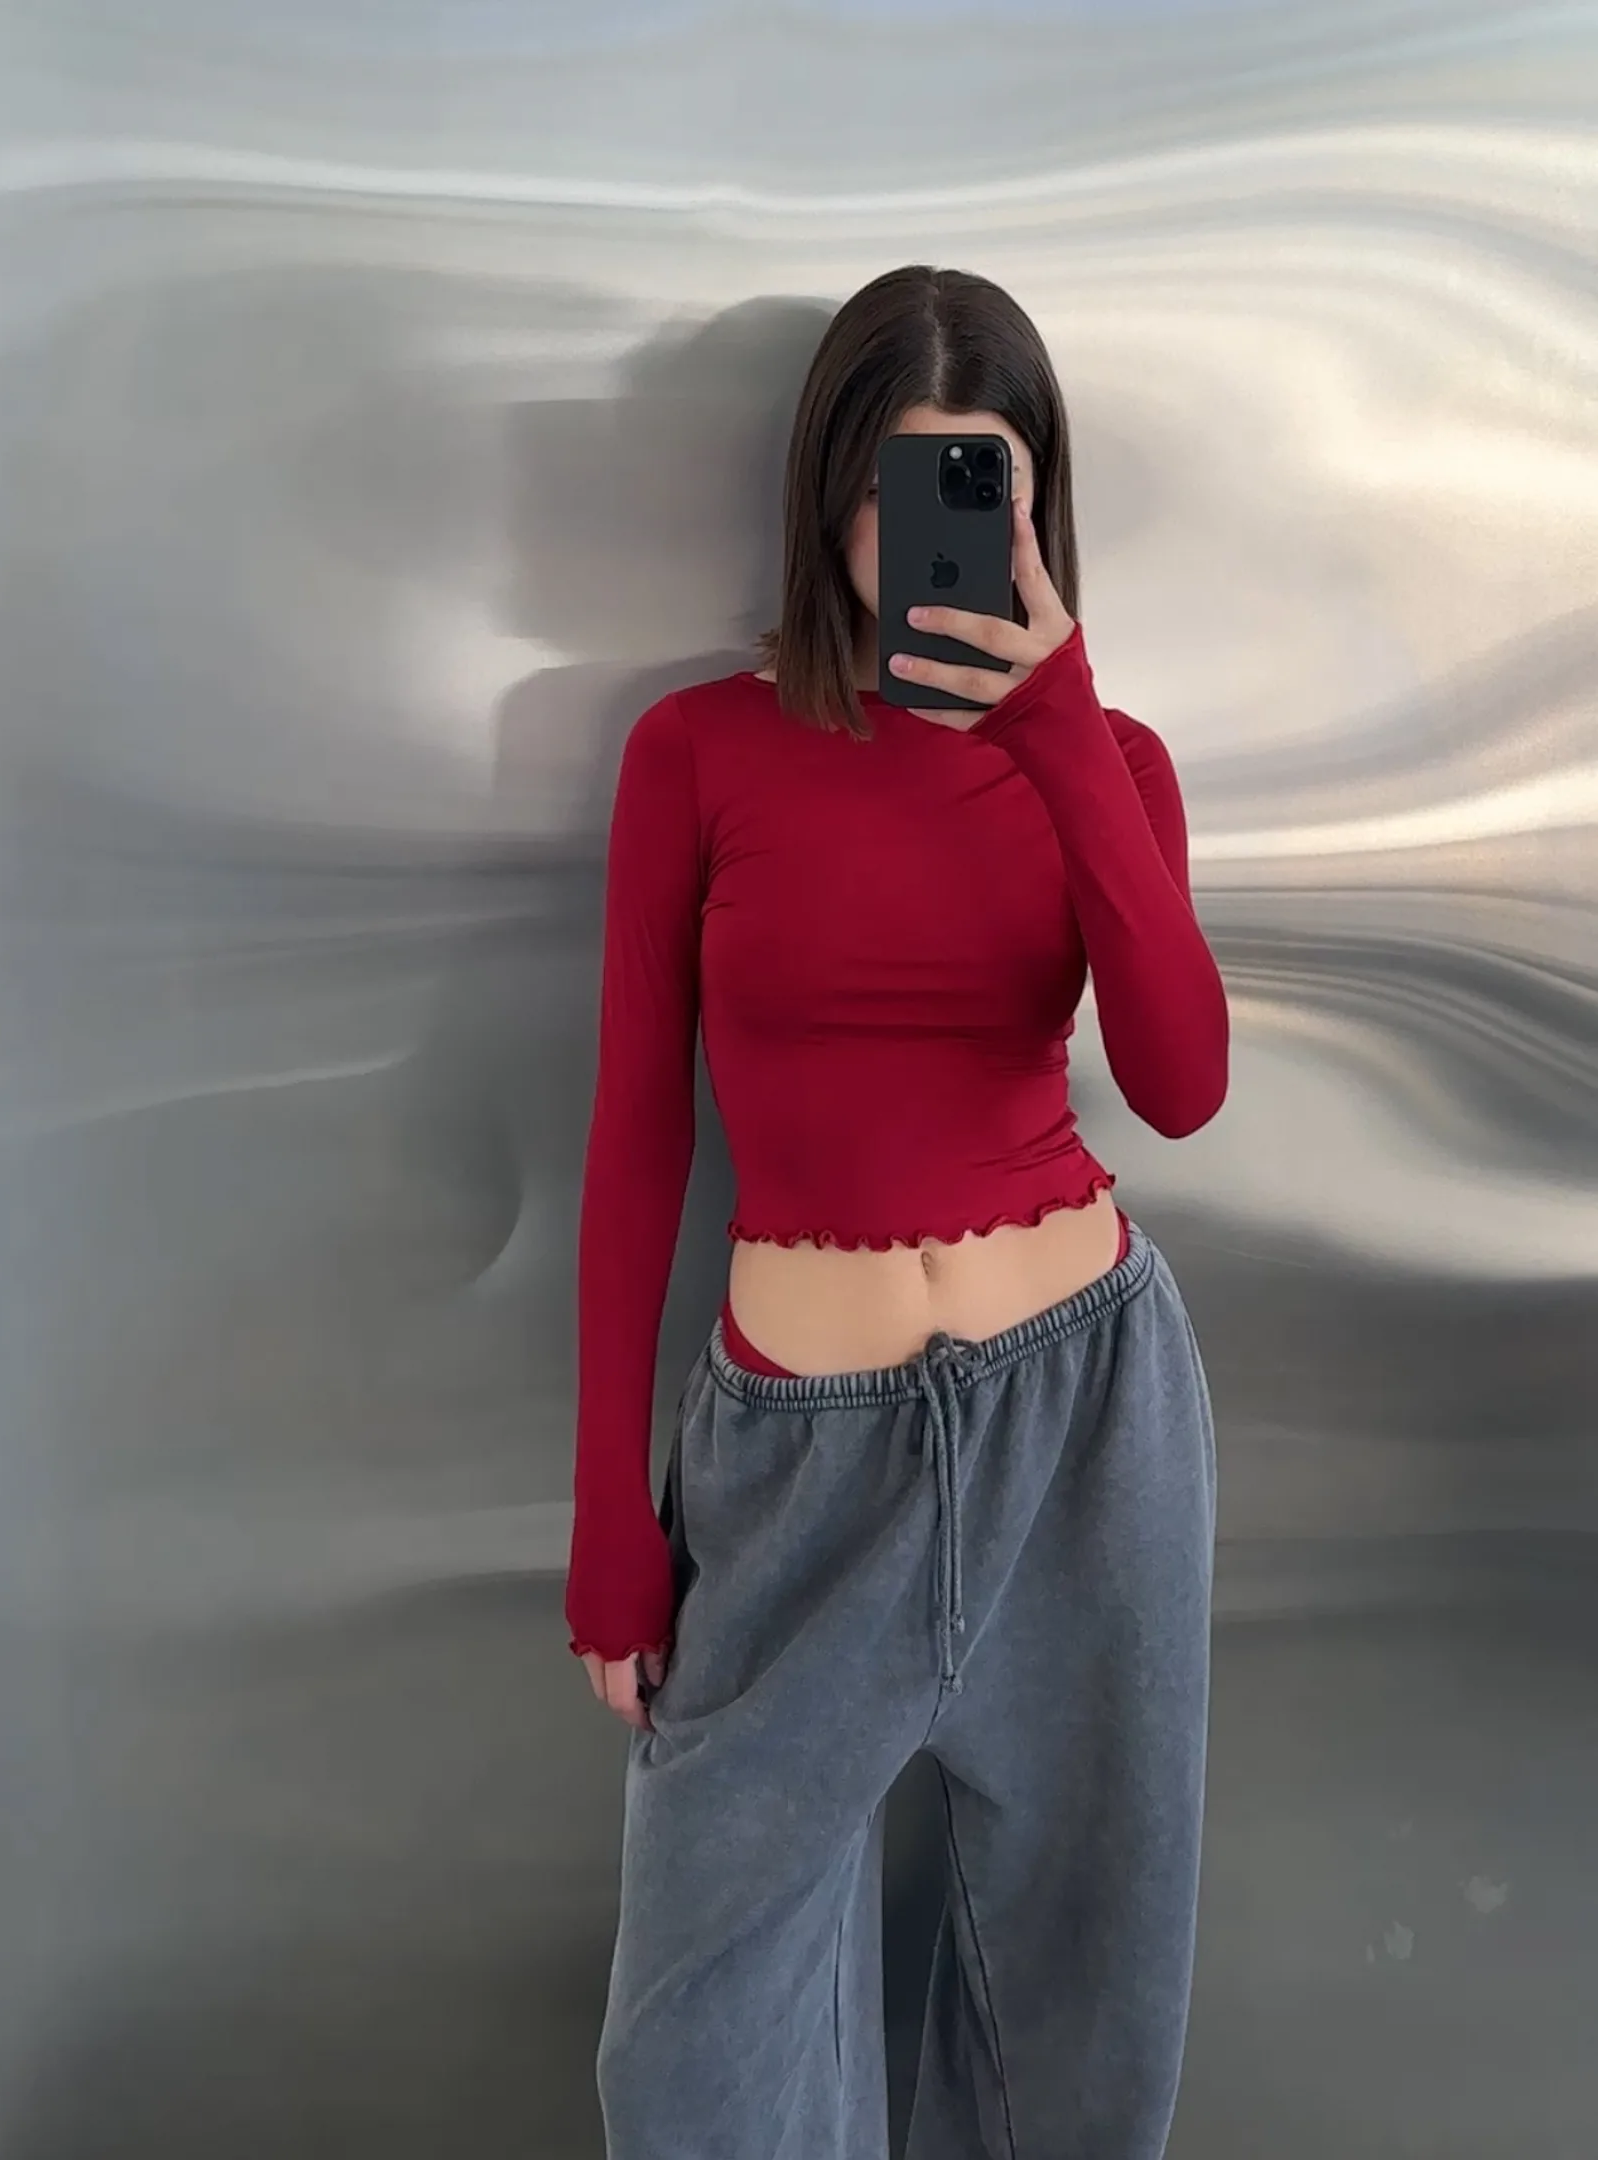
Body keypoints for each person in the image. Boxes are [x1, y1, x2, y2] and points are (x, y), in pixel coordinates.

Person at [565, 263, 1229, 2160]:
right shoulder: (697, 753)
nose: (920, 536)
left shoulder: (1115, 761)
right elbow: (636, 1137)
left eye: (975, 485)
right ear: (827, 491)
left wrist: (1061, 728)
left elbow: (1180, 1082)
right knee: (696, 2074)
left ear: (1033, 506)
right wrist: (611, 1522)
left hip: (1087, 1428)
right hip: (797, 1464)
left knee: (1079, 2021)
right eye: (890, 486)